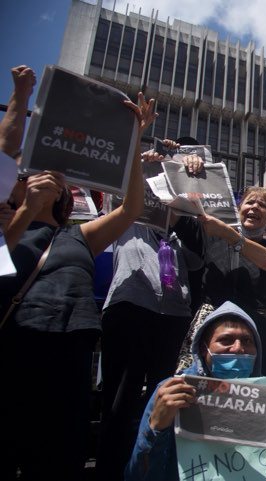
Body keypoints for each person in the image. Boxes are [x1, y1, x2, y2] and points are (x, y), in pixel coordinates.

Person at [0, 92, 156, 480]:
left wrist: (135, 142)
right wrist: (25, 213)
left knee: (59, 458)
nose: (36, 180)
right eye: (24, 177)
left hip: (71, 349)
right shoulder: (7, 229)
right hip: (14, 348)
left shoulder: (79, 236)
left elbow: (131, 209)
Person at [96, 140, 203, 481]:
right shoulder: (129, 220)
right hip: (130, 306)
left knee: (163, 396)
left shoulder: (179, 235)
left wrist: (186, 208)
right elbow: (121, 195)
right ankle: (111, 470)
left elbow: (198, 259)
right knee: (120, 400)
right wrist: (142, 165)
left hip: (172, 316)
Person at [124, 301, 264, 481]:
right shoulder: (171, 393)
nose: (238, 348)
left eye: (247, 341)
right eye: (226, 340)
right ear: (203, 350)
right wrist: (156, 427)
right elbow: (136, 476)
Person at [172, 186, 266, 375]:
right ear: (238, 209)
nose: (254, 207)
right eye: (250, 202)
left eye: (262, 205)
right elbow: (174, 213)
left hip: (260, 334)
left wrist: (229, 234)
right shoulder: (211, 237)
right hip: (213, 332)